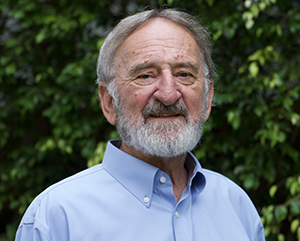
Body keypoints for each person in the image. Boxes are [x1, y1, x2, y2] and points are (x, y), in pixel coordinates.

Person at [15, 9, 265, 241]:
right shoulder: (56, 217)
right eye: (146, 75)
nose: (168, 95)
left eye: (184, 74)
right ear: (109, 102)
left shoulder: (236, 205)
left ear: (207, 99)